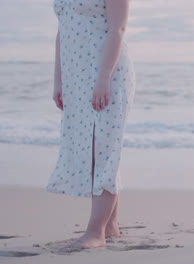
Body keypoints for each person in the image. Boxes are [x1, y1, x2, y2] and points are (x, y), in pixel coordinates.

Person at [46, 0, 135, 248]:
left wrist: (104, 78)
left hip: (107, 74)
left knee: (102, 148)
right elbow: (61, 32)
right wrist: (59, 80)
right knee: (93, 145)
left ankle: (96, 233)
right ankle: (110, 225)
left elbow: (118, 29)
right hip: (76, 75)